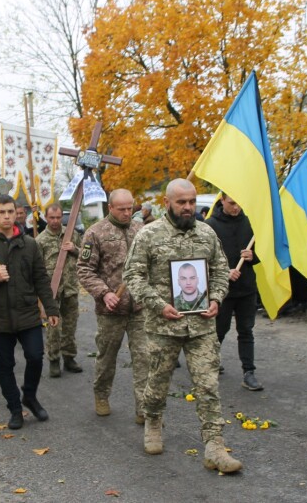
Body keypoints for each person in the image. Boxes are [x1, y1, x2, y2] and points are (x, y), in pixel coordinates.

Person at [123, 179, 241, 474]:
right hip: (163, 326)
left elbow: (220, 271)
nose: (188, 207)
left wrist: (216, 297)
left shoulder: (206, 233)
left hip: (201, 326)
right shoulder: (149, 235)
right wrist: (158, 304)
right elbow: (133, 276)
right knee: (157, 384)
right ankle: (152, 421)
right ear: (167, 203)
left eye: (191, 202)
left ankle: (214, 446)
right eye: (181, 202)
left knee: (208, 385)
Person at [0, 195, 60, 430]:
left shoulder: (29, 244)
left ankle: (29, 395)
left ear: (16, 214)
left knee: (36, 356)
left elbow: (40, 278)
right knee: (5, 365)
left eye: (10, 212)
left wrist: (50, 308)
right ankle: (15, 409)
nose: (7, 216)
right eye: (2, 212)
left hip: (27, 312)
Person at [77, 188, 147, 420]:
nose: (128, 213)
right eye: (122, 209)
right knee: (107, 357)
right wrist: (104, 293)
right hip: (111, 310)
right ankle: (101, 394)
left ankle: (143, 407)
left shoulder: (141, 230)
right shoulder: (95, 233)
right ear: (111, 208)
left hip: (139, 308)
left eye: (130, 208)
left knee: (144, 358)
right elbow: (85, 269)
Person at [206, 194, 263, 391]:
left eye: (239, 203)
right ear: (222, 201)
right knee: (219, 330)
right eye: (231, 203)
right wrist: (223, 272)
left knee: (246, 330)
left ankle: (249, 372)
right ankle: (209, 364)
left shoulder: (249, 222)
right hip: (222, 291)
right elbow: (203, 259)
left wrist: (253, 256)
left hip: (247, 288)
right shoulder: (210, 225)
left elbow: (262, 252)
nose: (236, 207)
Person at [37, 203, 82, 378]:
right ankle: (54, 360)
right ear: (46, 218)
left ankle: (69, 357)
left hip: (70, 288)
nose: (55, 221)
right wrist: (39, 297)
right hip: (52, 291)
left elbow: (86, 256)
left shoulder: (72, 234)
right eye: (52, 218)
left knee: (70, 327)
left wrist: (74, 249)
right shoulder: (40, 240)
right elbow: (37, 269)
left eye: (58, 217)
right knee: (54, 328)